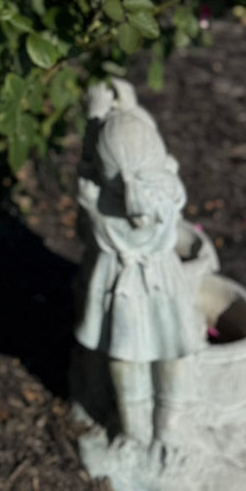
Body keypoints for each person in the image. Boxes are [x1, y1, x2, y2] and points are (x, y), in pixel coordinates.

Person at [76, 81, 206, 447]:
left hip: (121, 294)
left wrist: (94, 118)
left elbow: (91, 168)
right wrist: (131, 108)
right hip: (164, 287)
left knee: (124, 358)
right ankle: (168, 426)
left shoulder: (98, 203)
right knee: (173, 352)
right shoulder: (169, 191)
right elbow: (146, 154)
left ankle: (134, 431)